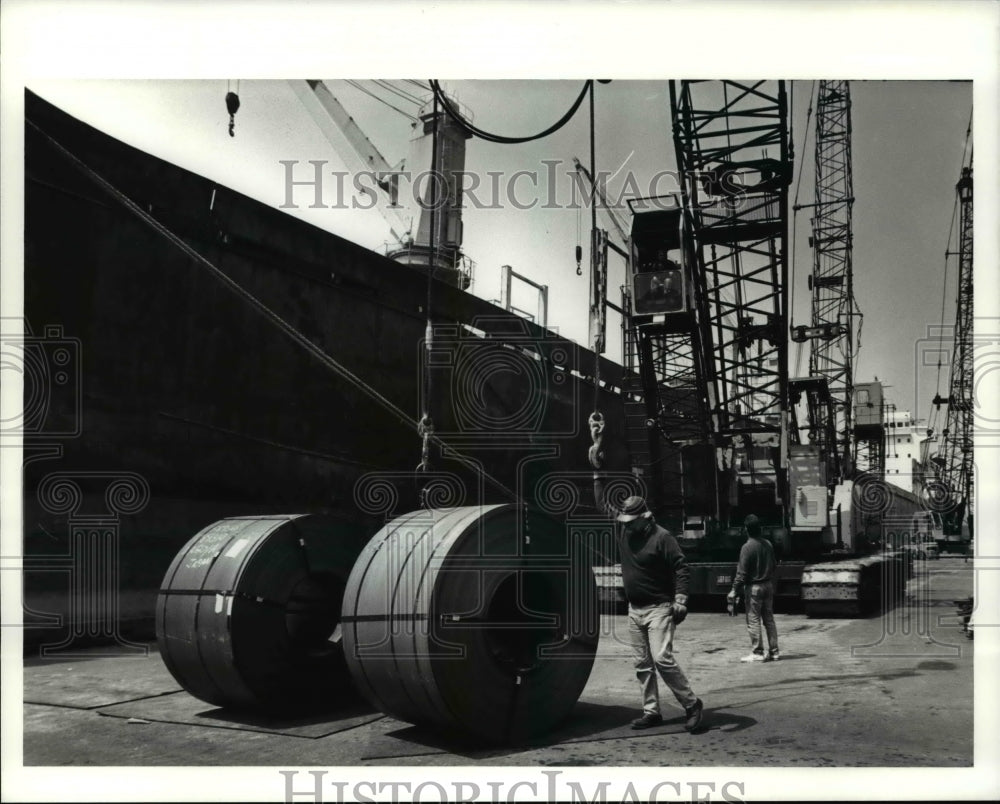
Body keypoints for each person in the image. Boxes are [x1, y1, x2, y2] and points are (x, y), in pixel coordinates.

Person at [592, 462, 704, 732]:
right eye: (624, 522)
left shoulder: (662, 537)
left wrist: (680, 599)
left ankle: (691, 704)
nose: (626, 526)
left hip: (660, 608)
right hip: (635, 609)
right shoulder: (624, 529)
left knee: (662, 659)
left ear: (646, 517)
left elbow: (680, 567)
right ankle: (651, 711)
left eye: (631, 522)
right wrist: (597, 468)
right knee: (642, 663)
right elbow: (601, 504)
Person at [727, 514, 779, 662]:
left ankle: (757, 652)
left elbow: (741, 573)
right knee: (769, 620)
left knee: (754, 620)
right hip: (768, 585)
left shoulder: (747, 547)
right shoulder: (768, 544)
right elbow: (774, 565)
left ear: (746, 530)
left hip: (754, 587)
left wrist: (734, 590)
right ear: (760, 529)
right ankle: (774, 652)